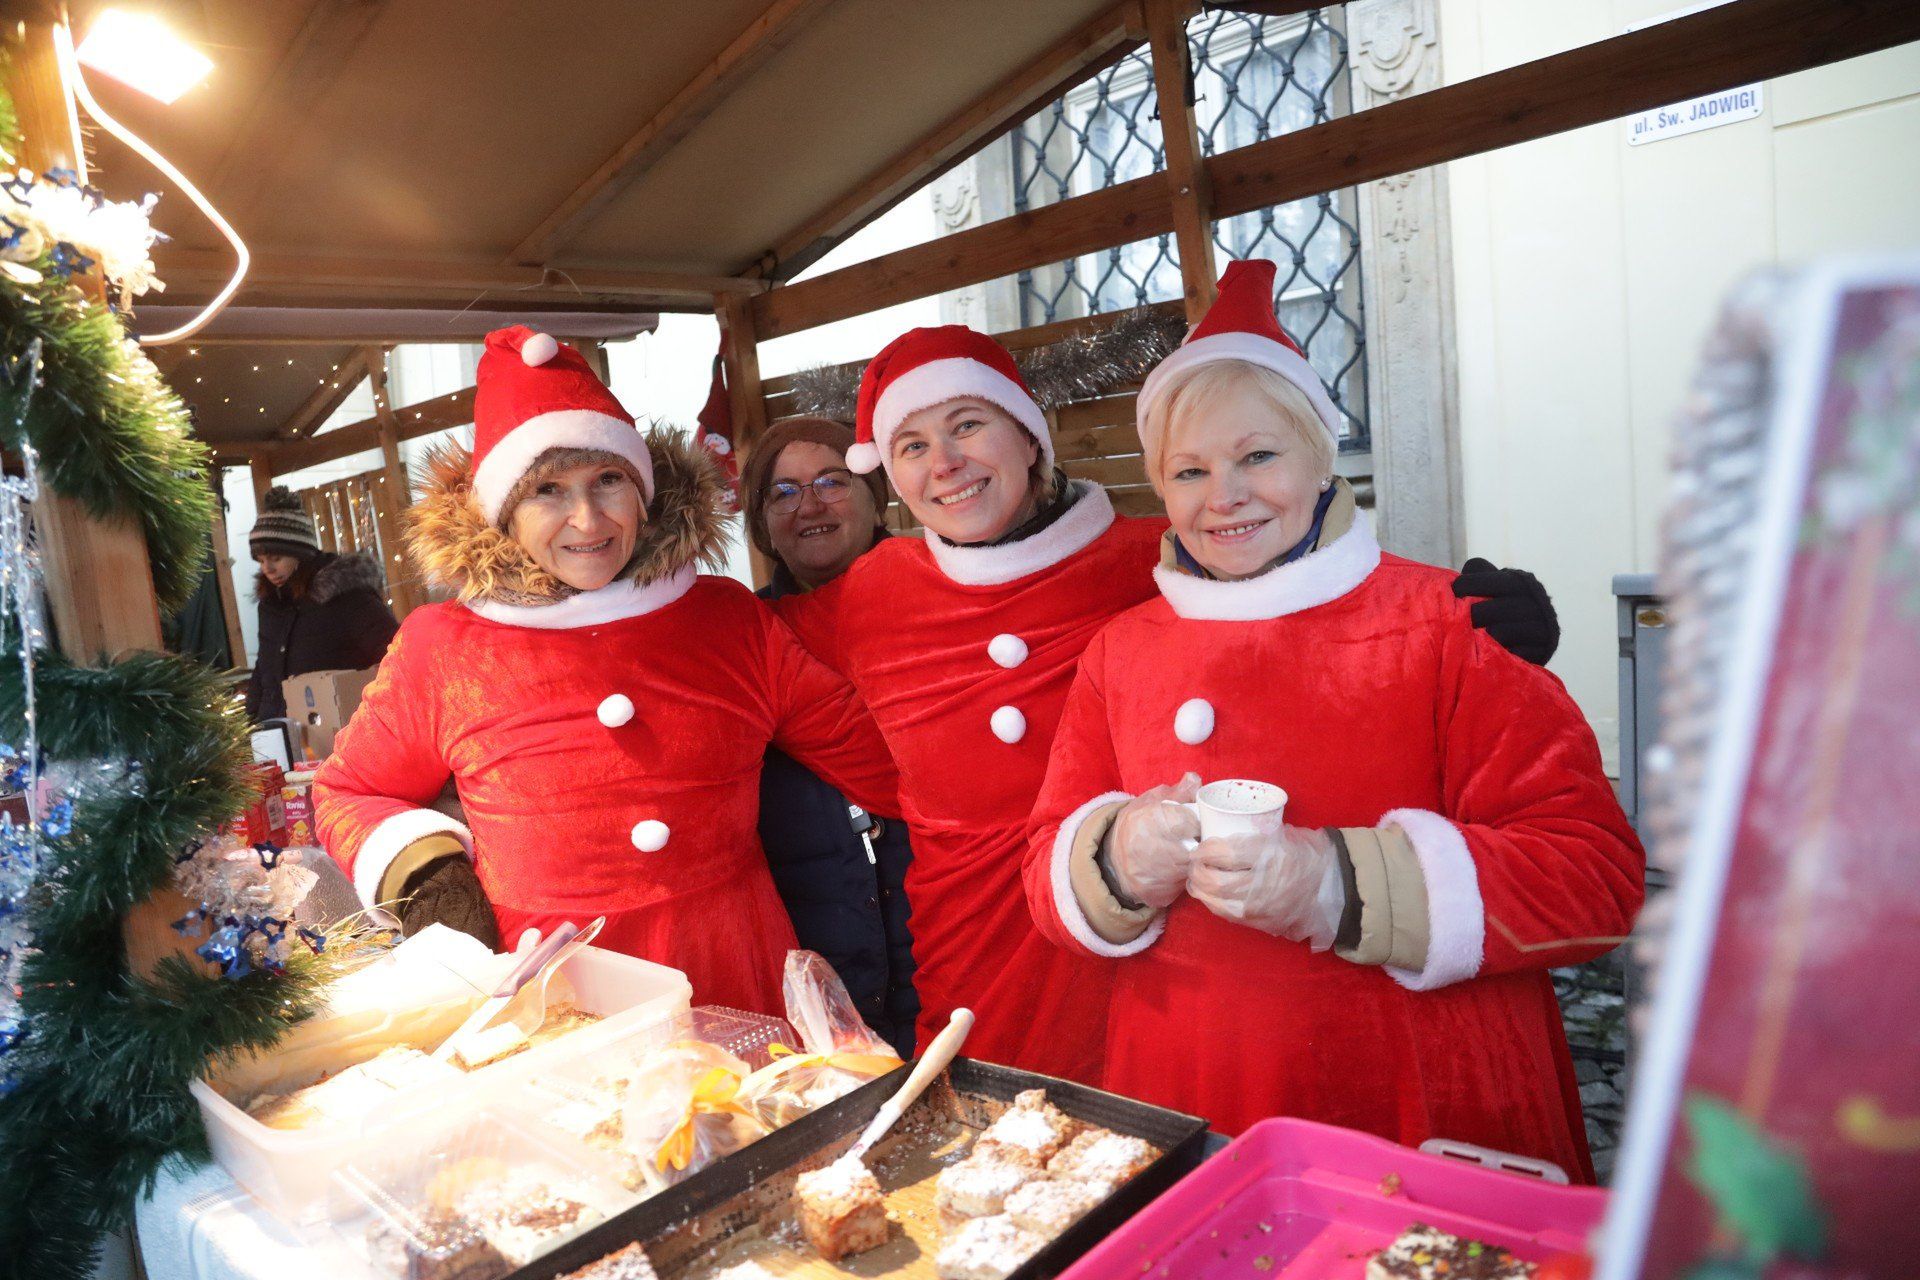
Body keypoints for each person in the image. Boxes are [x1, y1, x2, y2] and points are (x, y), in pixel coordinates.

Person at [775, 312, 1564, 1085]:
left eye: (969, 424)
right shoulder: (869, 594)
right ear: (893, 475)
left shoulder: (1158, 558)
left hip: (1162, 939)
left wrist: (1475, 616)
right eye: (913, 445)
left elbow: (1310, 588)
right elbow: (738, 653)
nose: (945, 461)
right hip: (974, 948)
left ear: (1028, 437)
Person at [1024, 260, 1643, 1178]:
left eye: (1258, 456)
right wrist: (1115, 856)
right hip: (1190, 1091)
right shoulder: (1121, 650)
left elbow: (1594, 880)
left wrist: (1335, 886)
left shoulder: (1451, 622)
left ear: (1323, 457)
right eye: (1189, 471)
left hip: (1410, 1101)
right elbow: (1044, 874)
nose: (1222, 495)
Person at [315, 328, 899, 1014]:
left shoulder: (726, 620)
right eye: (549, 491)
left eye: (608, 481)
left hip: (734, 974)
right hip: (555, 996)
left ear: (644, 490)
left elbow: (880, 762)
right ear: (503, 512)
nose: (586, 518)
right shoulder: (444, 648)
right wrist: (430, 872)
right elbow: (349, 791)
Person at [739, 415, 918, 1057]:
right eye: (782, 492)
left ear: (878, 498)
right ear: (762, 525)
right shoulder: (742, 643)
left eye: (831, 482)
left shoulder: (944, 611)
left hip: (945, 949)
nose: (808, 504)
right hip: (821, 983)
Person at [243, 486, 399, 722]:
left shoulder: (344, 594)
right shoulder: (271, 604)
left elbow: (393, 650)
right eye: (261, 560)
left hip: (339, 724)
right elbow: (265, 665)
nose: (268, 568)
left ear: (300, 553)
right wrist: (253, 717)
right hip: (279, 728)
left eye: (276, 558)